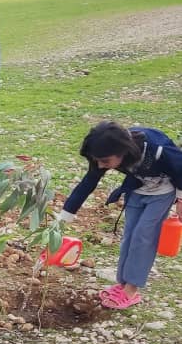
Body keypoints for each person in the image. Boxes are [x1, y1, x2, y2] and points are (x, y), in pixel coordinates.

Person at [58, 120, 182, 309]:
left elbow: (180, 168)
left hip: (161, 193)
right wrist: (64, 217)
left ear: (123, 151)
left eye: (106, 161)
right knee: (129, 235)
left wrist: (181, 200)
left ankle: (131, 290)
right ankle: (122, 284)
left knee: (144, 236)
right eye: (98, 160)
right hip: (137, 190)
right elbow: (87, 183)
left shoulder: (156, 148)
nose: (101, 165)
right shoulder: (102, 154)